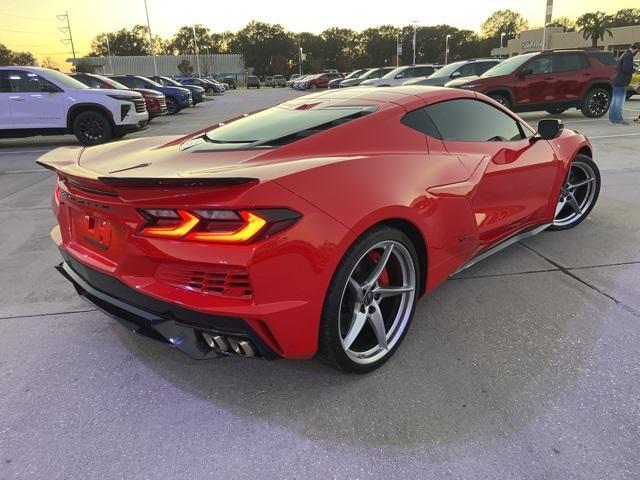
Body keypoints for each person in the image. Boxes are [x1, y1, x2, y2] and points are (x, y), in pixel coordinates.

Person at [609, 42, 640, 125]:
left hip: (617, 81)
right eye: (638, 50)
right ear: (636, 48)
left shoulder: (624, 54)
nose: (638, 52)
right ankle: (618, 120)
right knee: (619, 101)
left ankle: (612, 119)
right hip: (622, 82)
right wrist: (634, 69)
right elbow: (626, 69)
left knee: (614, 101)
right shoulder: (628, 56)